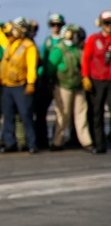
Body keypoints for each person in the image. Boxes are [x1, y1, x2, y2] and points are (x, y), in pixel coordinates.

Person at [0, 8, 39, 153]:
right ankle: (9, 144)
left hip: (21, 86)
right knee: (8, 116)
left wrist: (30, 83)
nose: (10, 33)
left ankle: (32, 144)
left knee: (26, 115)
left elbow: (31, 66)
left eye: (14, 30)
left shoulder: (28, 46)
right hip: (7, 87)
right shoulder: (9, 44)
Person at [48, 24, 92, 151]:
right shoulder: (59, 49)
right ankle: (57, 141)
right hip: (63, 86)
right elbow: (50, 69)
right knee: (63, 114)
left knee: (81, 114)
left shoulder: (77, 49)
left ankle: (86, 141)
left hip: (78, 86)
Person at [81, 10, 111, 154]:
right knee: (96, 112)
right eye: (106, 23)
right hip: (97, 80)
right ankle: (99, 143)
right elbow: (86, 58)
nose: (109, 26)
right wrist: (85, 77)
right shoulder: (94, 39)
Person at [34, 13, 65, 149]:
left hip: (61, 81)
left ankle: (58, 139)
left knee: (63, 112)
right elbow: (42, 60)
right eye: (53, 24)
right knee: (41, 112)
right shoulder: (47, 41)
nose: (55, 27)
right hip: (46, 81)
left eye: (58, 25)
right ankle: (42, 139)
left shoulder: (65, 41)